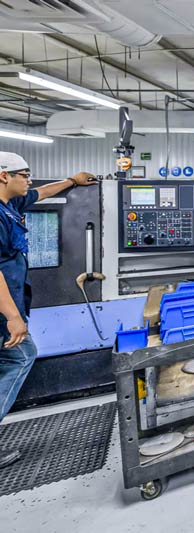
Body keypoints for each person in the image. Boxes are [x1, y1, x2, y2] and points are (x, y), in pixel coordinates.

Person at [0, 152, 96, 468]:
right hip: (4, 310)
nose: (29, 180)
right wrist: (13, 316)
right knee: (21, 355)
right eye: (24, 174)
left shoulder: (10, 205)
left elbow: (40, 193)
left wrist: (71, 181)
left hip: (12, 302)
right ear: (4, 176)